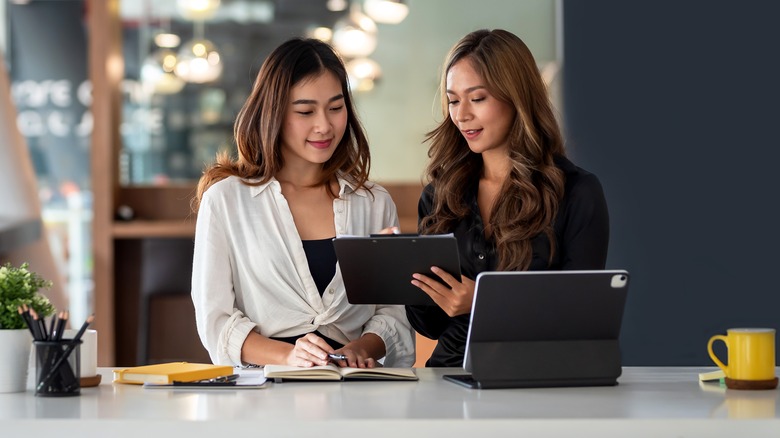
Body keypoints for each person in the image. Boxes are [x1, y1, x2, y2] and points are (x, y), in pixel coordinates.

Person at [191, 38, 415, 369]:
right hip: (263, 395)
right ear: (274, 113)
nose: (324, 125)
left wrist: (359, 349)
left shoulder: (373, 203)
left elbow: (393, 316)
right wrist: (290, 356)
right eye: (305, 111)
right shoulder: (226, 201)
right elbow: (216, 322)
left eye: (336, 108)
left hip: (353, 390)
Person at [406, 29, 609, 367]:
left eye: (478, 98)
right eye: (454, 100)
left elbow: (581, 315)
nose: (462, 115)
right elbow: (430, 326)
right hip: (449, 380)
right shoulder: (439, 195)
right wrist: (407, 272)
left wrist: (483, 301)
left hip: (539, 381)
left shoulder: (577, 192)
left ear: (517, 97)